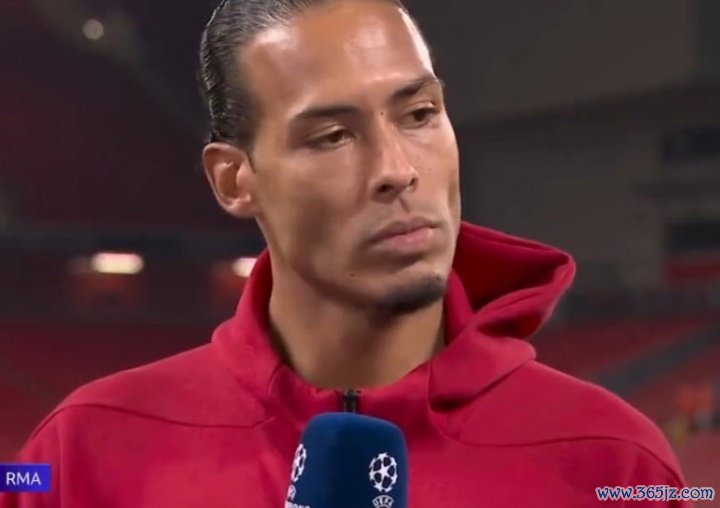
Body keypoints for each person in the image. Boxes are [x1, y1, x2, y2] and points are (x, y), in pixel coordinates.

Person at [1, 0, 690, 506]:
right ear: (234, 180)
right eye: (331, 136)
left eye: (419, 115)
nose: (398, 169)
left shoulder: (619, 462)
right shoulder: (79, 452)